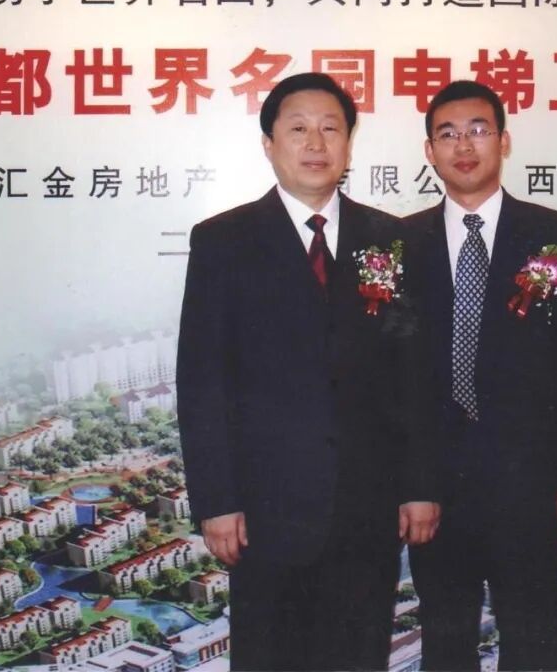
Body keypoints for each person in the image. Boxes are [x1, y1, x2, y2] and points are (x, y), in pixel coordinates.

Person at [176, 72, 441, 671]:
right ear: (269, 143)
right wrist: (216, 502)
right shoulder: (223, 241)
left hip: (367, 508)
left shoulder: (389, 240)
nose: (315, 143)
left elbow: (412, 376)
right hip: (264, 513)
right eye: (298, 129)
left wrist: (419, 485)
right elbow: (202, 382)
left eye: (330, 128)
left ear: (349, 143)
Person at [405, 80, 557, 671]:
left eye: (478, 130)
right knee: (445, 644)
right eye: (447, 134)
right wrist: (410, 483)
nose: (463, 146)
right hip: (436, 490)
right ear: (430, 151)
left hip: (530, 485)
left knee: (534, 638)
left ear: (504, 141)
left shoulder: (553, 236)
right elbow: (392, 380)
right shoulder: (399, 243)